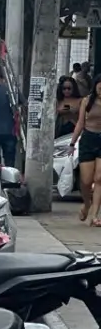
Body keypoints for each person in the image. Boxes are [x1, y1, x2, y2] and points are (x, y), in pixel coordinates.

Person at [72, 77, 101, 226]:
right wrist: (72, 143)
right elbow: (80, 123)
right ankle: (87, 204)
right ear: (95, 87)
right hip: (88, 139)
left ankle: (95, 216)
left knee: (99, 178)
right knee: (86, 181)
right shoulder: (87, 101)